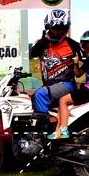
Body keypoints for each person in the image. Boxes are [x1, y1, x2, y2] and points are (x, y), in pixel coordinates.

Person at [28, 9, 82, 152]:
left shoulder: (73, 44)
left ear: (66, 29)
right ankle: (55, 137)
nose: (57, 32)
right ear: (48, 28)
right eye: (54, 28)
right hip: (50, 86)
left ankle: (42, 139)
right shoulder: (42, 43)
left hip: (66, 84)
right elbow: (32, 52)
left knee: (40, 94)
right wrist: (45, 39)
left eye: (60, 29)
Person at [49, 29, 89, 139]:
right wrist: (75, 63)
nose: (88, 50)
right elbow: (78, 74)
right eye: (86, 46)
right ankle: (62, 121)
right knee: (70, 85)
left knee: (63, 100)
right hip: (87, 87)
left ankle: (64, 130)